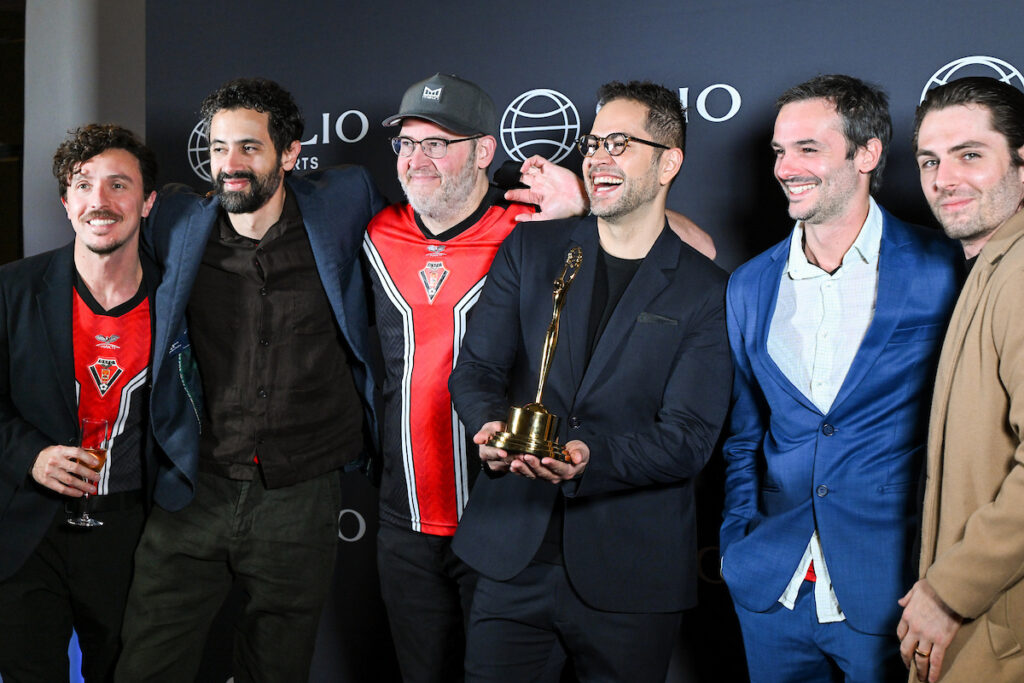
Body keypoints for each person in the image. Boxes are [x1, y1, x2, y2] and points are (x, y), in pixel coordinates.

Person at [448, 80, 731, 682]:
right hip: (509, 557)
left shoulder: (708, 291)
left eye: (620, 144)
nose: (598, 157)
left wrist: (587, 458)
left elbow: (688, 438)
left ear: (669, 163)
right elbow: (475, 370)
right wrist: (490, 428)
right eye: (595, 143)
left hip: (632, 576)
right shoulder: (530, 249)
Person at [116, 78, 385, 681]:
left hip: (301, 491)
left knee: (277, 669)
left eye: (249, 147)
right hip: (195, 486)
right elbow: (101, 237)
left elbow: (434, 212)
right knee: (147, 665)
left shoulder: (344, 202)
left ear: (289, 154)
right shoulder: (178, 219)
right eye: (218, 148)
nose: (229, 165)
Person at [719, 74, 962, 681]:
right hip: (772, 589)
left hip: (894, 591)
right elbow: (745, 435)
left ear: (867, 153)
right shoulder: (749, 284)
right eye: (780, 150)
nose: (786, 168)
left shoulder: (940, 267)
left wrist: (947, 582)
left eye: (809, 148)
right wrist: (736, 545)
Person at [0, 124, 158, 681]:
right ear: (66, 203)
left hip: (132, 535)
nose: (99, 200)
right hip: (26, 533)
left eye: (119, 184)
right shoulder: (12, 289)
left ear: (147, 202)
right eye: (83, 185)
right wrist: (31, 455)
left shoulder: (177, 296)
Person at [897, 76, 1024, 683]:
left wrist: (950, 591)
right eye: (930, 161)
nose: (943, 179)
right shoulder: (989, 265)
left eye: (970, 155)